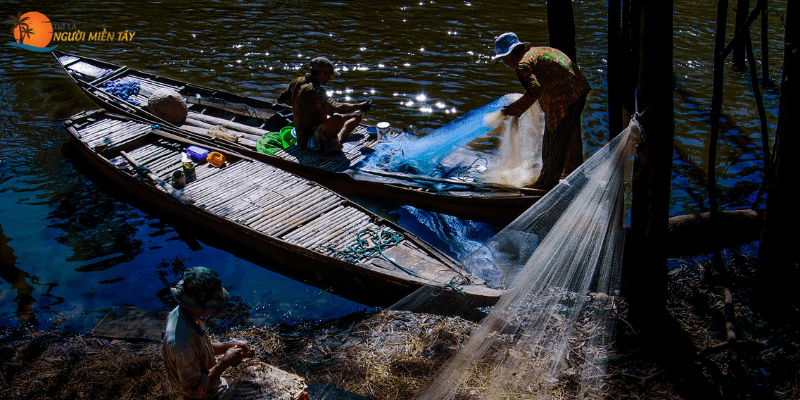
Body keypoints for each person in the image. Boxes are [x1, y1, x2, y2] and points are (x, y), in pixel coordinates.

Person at [162, 267, 311, 400]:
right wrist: (224, 363)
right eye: (212, 304)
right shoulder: (182, 342)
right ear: (198, 304)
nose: (214, 308)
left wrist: (226, 347)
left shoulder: (185, 314)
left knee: (259, 374)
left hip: (216, 386)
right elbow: (195, 392)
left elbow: (200, 348)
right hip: (207, 395)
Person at [491, 32, 591, 190]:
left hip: (566, 98)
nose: (504, 62)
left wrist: (514, 109)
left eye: (503, 58)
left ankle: (546, 185)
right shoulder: (535, 53)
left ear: (510, 55)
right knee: (552, 139)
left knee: (556, 141)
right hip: (574, 92)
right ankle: (546, 179)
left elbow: (534, 91)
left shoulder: (523, 66)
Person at [277, 56, 372, 152]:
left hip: (314, 128)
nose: (329, 78)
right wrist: (360, 106)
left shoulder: (296, 81)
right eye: (329, 75)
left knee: (357, 115)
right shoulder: (315, 91)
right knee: (338, 119)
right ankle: (330, 143)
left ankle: (337, 139)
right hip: (307, 139)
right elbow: (337, 107)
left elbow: (280, 100)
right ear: (321, 74)